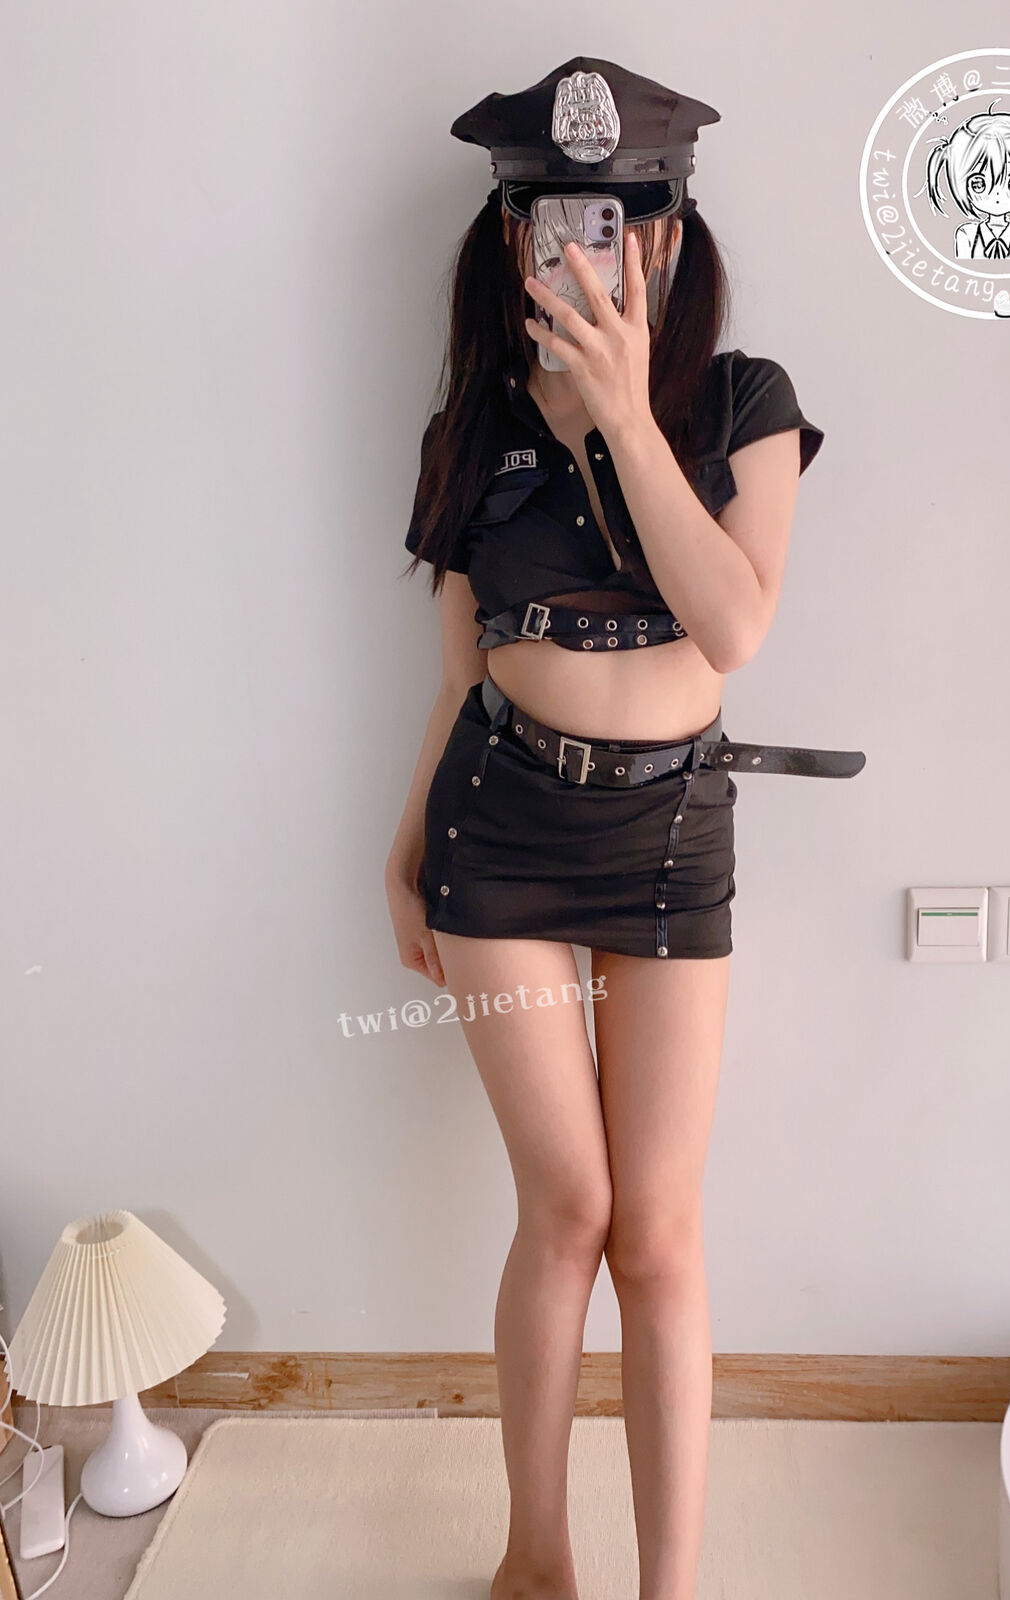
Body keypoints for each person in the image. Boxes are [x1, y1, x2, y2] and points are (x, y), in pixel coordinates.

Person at [385, 57, 862, 1600]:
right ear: (510, 238)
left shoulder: (743, 404)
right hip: (499, 830)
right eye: (557, 221)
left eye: (622, 218)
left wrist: (619, 412)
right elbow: (458, 672)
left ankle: (670, 1588)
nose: (591, 248)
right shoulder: (470, 428)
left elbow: (733, 626)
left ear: (668, 231)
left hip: (671, 836)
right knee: (569, 1209)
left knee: (655, 1230)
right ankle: (537, 1559)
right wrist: (405, 845)